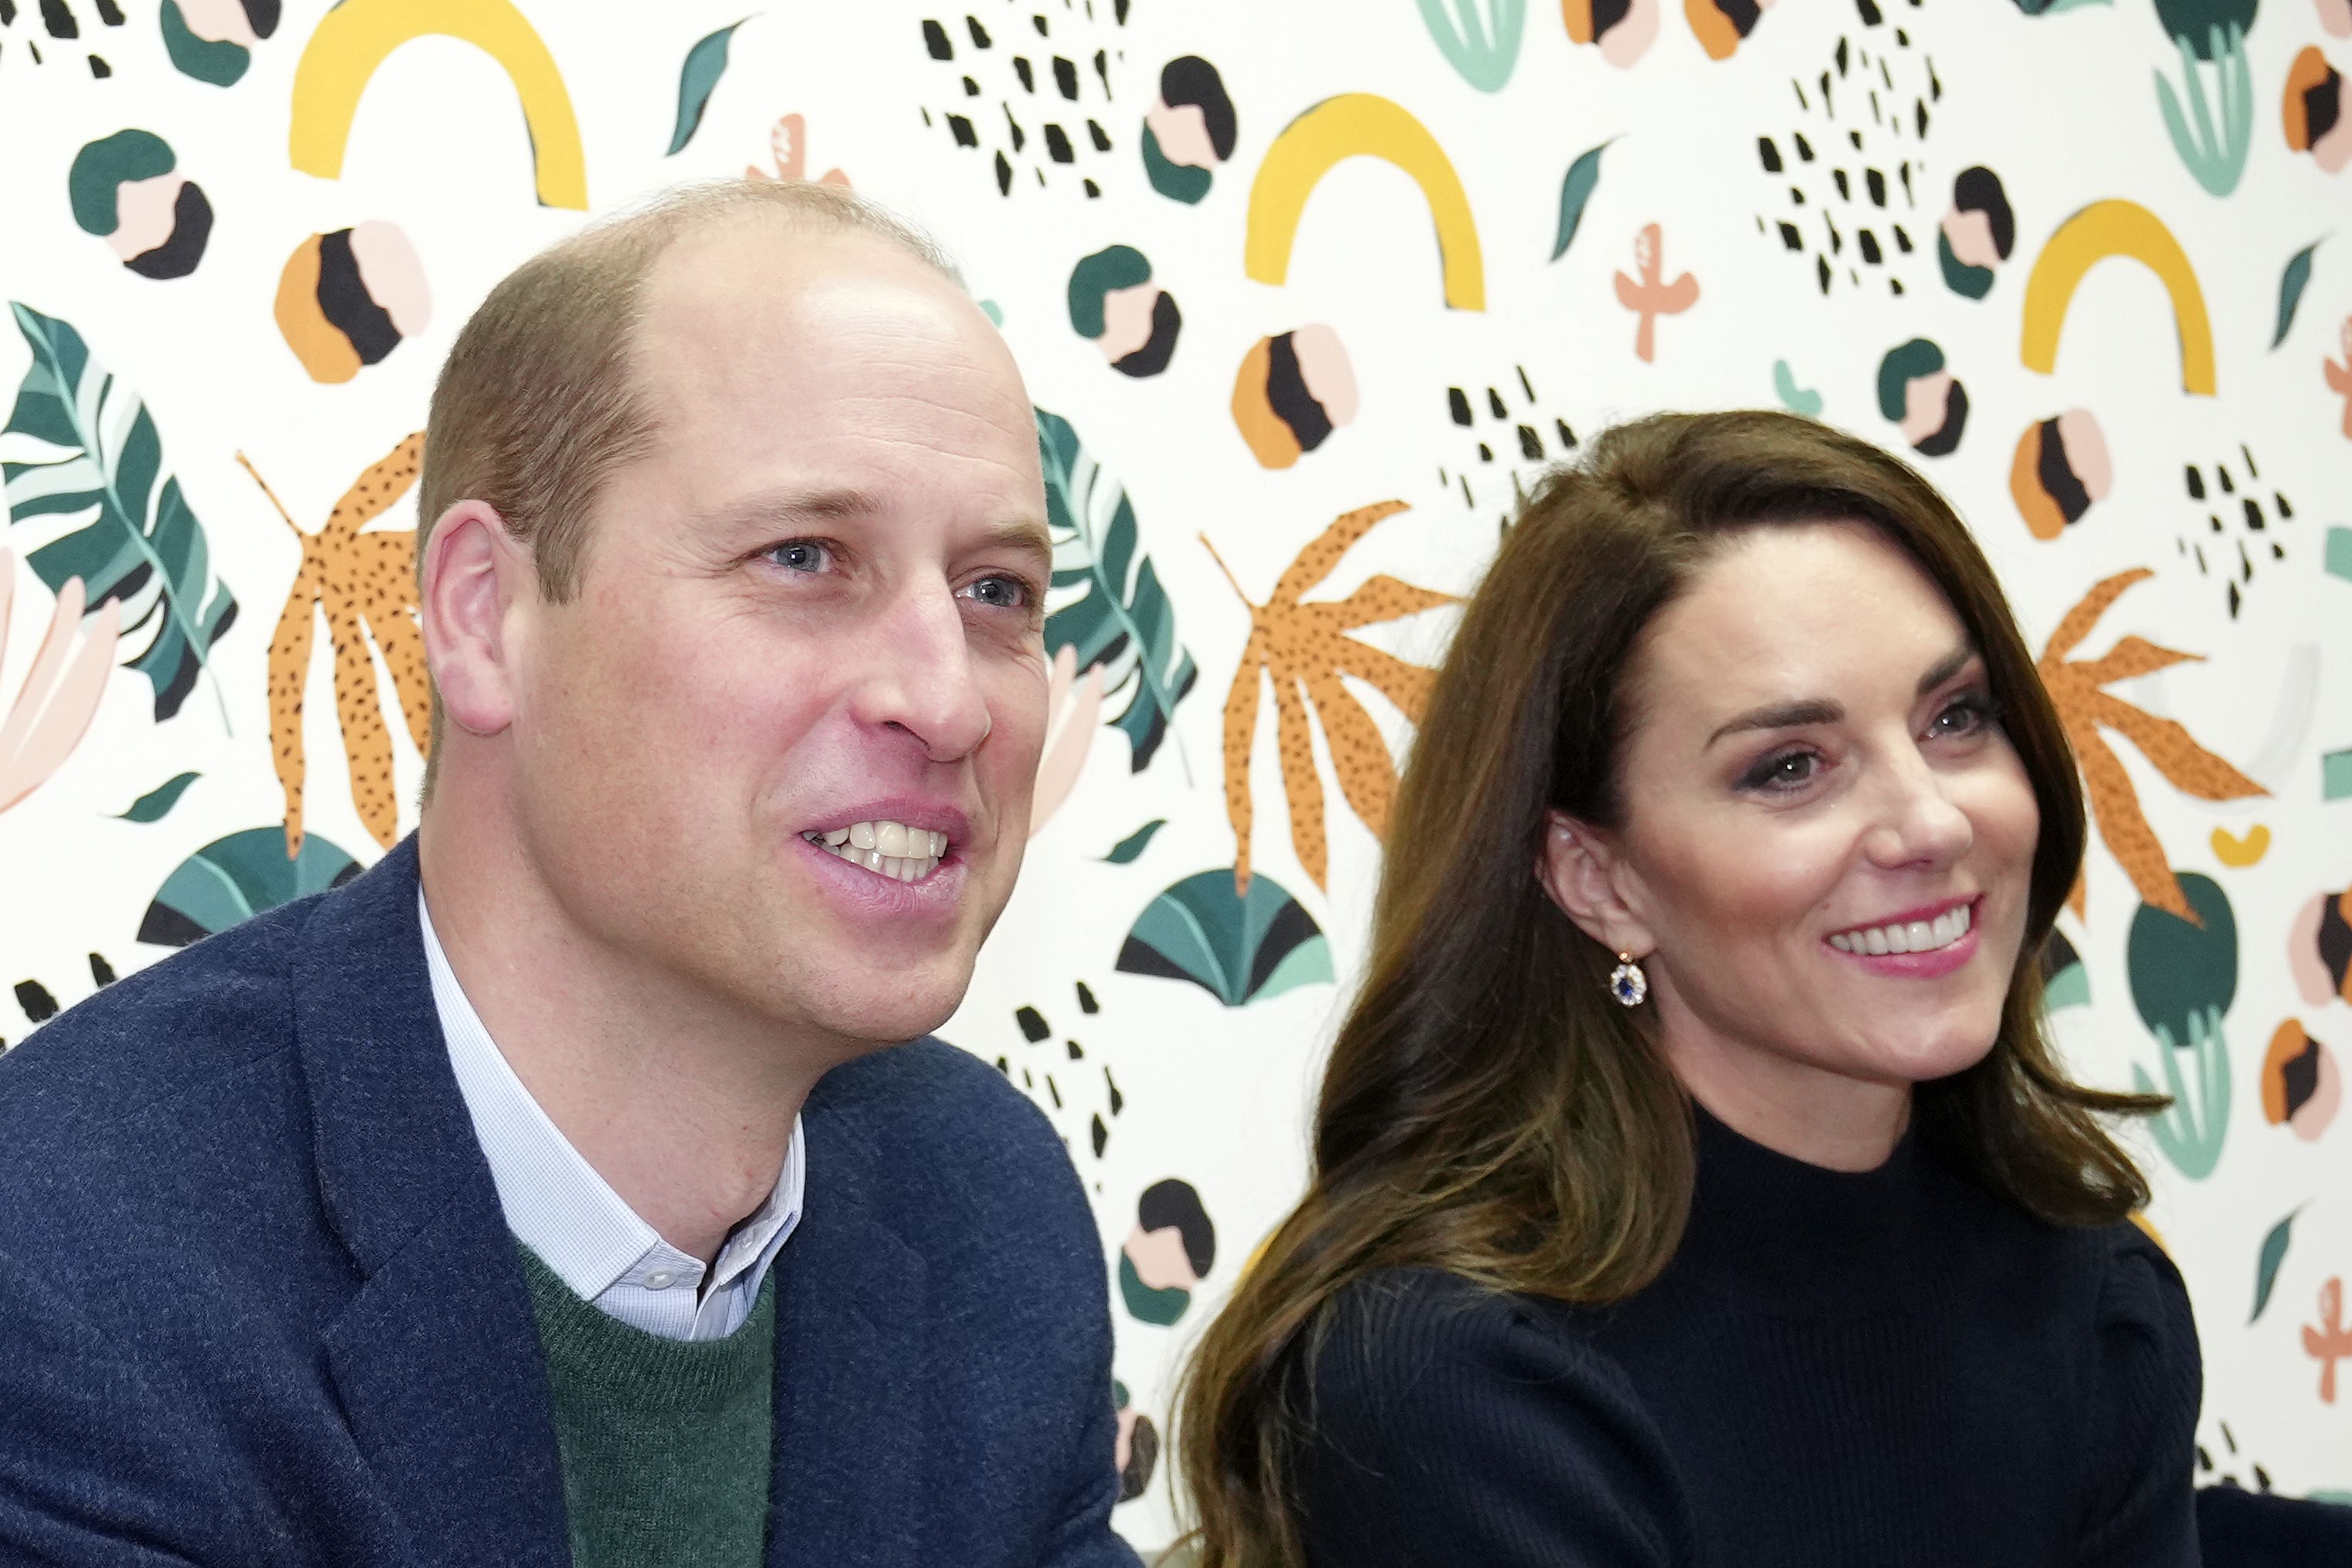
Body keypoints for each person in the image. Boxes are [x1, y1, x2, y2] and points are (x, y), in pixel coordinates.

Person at [0, 181, 1136, 1568]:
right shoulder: (69, 1268)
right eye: (805, 558)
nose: (949, 700)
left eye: (997, 594)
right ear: (487, 617)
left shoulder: (988, 1219)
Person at [1176, 411, 2202, 1567]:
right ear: (1598, 879)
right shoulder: (1454, 1379)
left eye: (1955, 718)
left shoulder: (2097, 1306)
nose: (1930, 820)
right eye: (1790, 768)